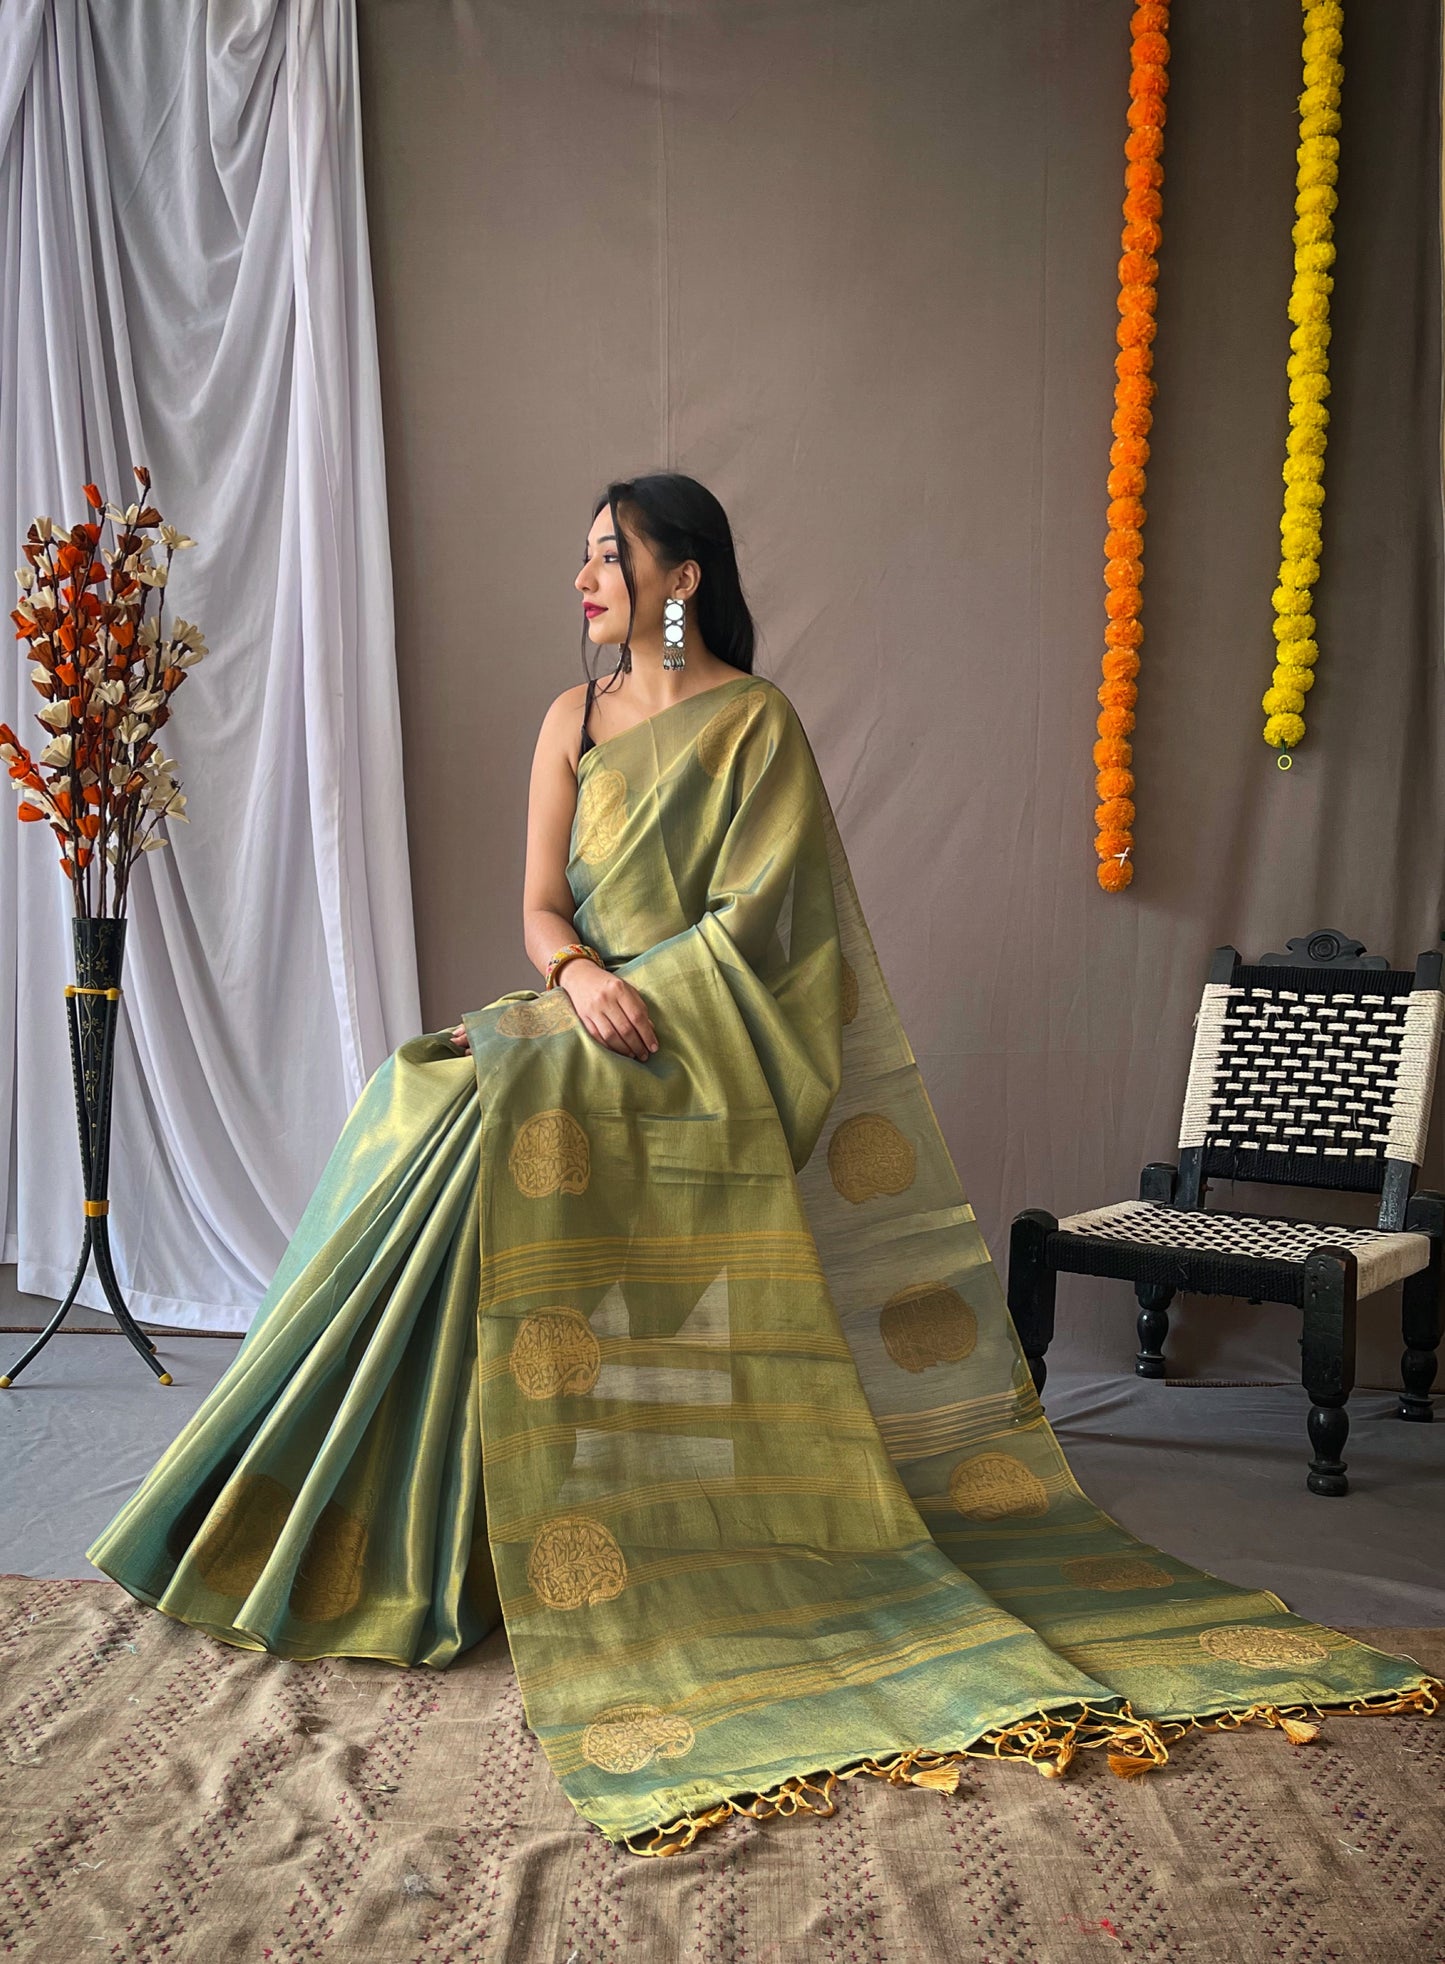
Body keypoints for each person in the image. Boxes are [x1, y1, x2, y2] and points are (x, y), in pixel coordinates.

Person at [86, 474, 1438, 1856]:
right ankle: (372, 1518)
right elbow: (541, 902)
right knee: (415, 1100)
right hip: (587, 1009)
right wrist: (571, 974)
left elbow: (761, 936)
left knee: (487, 1105)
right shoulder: (573, 718)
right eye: (582, 557)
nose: (582, 580)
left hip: (708, 1046)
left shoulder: (754, 724)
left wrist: (633, 999)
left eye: (607, 555)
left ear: (681, 577)